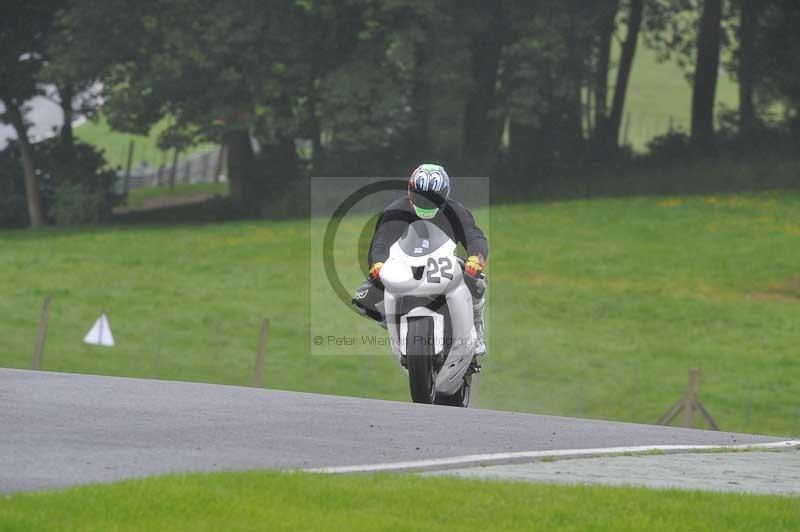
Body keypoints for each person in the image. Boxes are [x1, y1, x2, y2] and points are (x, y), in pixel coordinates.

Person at [352, 163, 489, 355]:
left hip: (444, 264)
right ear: (410, 191)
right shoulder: (394, 211)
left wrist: (476, 257)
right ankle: (392, 322)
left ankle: (476, 327)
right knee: (362, 299)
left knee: (478, 281)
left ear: (445, 196)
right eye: (420, 197)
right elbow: (380, 242)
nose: (426, 203)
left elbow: (474, 236)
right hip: (404, 264)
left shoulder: (457, 212)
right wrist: (378, 263)